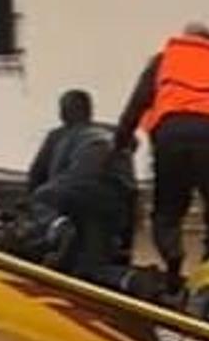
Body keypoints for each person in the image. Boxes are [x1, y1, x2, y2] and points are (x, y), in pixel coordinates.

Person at [115, 23, 209, 295]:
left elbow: (136, 104)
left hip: (172, 135)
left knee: (167, 213)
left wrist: (120, 146)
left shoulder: (164, 61)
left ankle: (173, 262)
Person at [29, 90, 137, 275]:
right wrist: (125, 247)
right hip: (115, 201)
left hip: (77, 191)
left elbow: (36, 177)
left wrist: (45, 216)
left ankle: (60, 231)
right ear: (90, 111)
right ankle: (123, 278)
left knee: (41, 197)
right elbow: (130, 191)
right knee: (92, 265)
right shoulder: (113, 135)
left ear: (62, 114)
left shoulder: (59, 135)